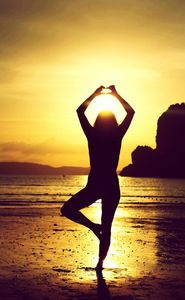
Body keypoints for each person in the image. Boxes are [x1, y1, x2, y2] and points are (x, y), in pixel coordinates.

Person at [61, 85, 135, 270]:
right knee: (106, 227)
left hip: (95, 185)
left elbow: (80, 111)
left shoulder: (92, 135)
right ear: (113, 122)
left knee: (68, 209)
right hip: (109, 185)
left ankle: (94, 230)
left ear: (97, 122)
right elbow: (131, 112)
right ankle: (100, 264)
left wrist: (95, 94)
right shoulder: (117, 135)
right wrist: (116, 95)